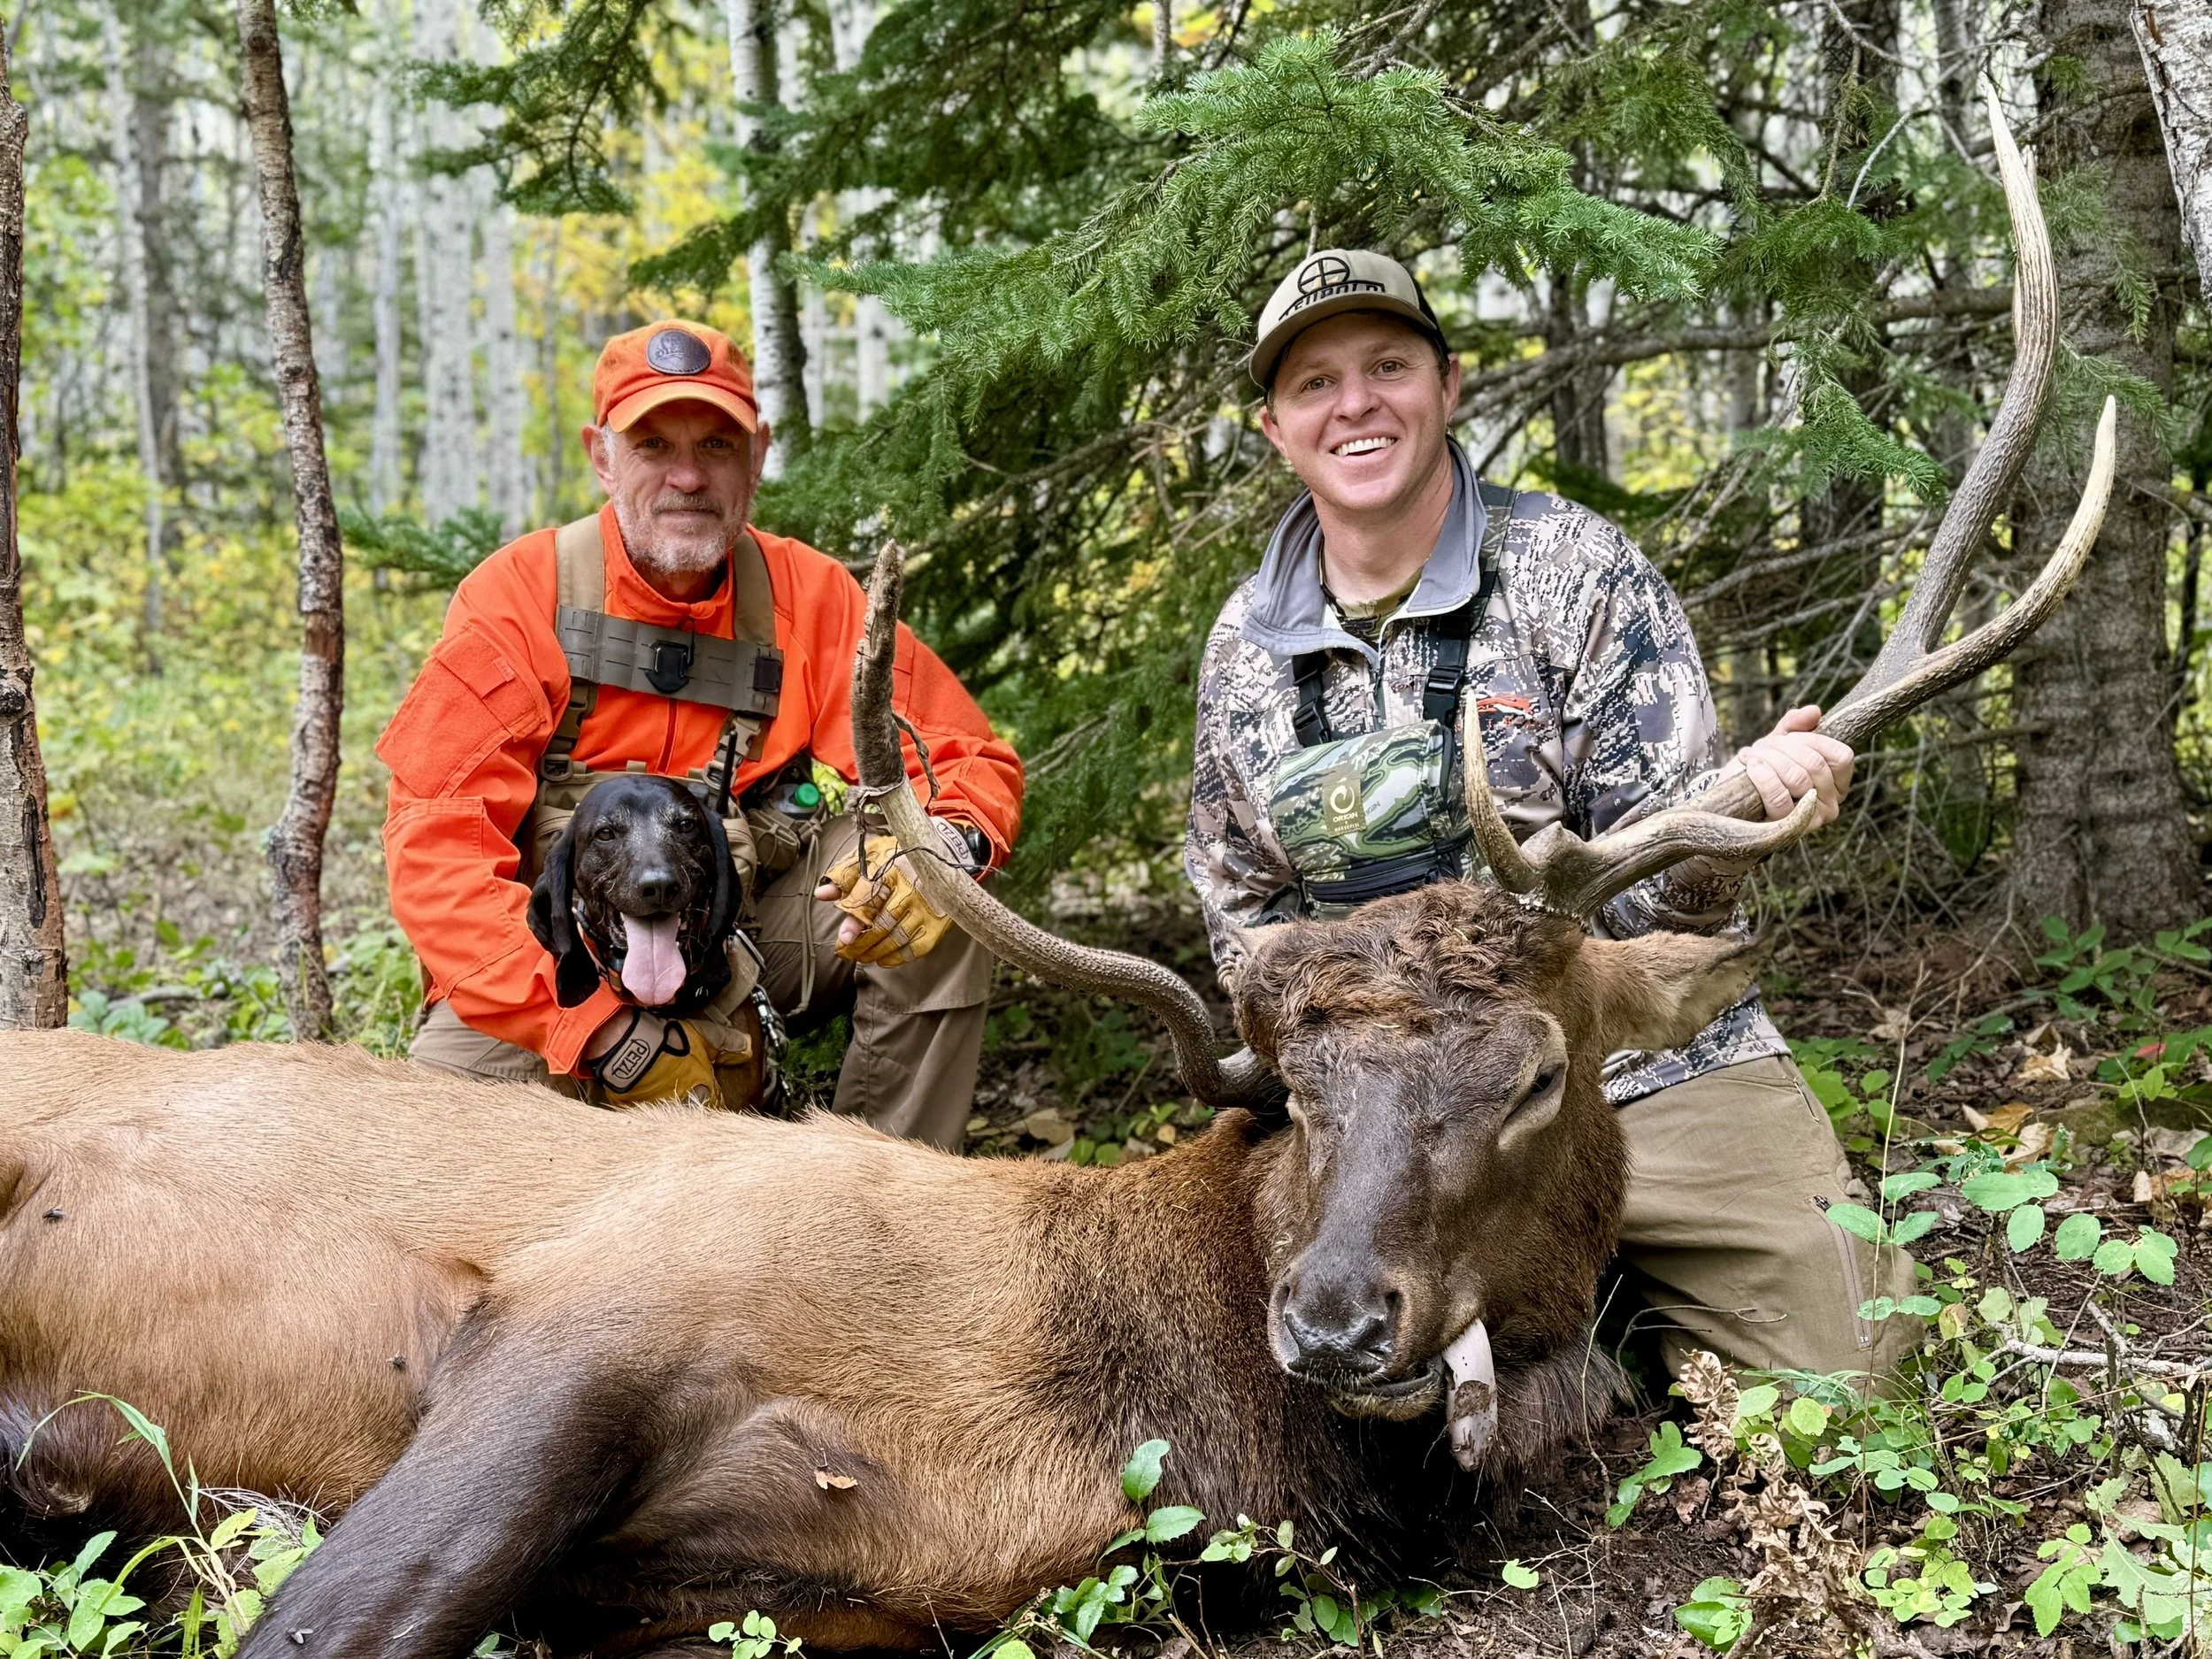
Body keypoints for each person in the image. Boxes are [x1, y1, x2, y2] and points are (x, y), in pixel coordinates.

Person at [1186, 250, 1916, 1384]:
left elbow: (1660, 900)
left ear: (1448, 385)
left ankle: (1593, 1327)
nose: (1356, 404)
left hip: (1614, 1073)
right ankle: (1567, 1336)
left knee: (1852, 1369)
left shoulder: (1576, 574)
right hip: (1373, 1112)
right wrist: (1321, 1075)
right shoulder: (1244, 651)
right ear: (1275, 427)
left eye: (1387, 365)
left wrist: (1738, 823)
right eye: (1314, 384)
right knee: (1254, 1387)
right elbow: (1244, 915)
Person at [379, 319, 1021, 1148]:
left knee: (935, 883)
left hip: (741, 930)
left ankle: (876, 1214)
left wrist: (941, 852)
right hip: (556, 958)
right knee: (428, 1166)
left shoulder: (812, 598)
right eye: (653, 445)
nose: (688, 476)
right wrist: (603, 1032)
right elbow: (437, 851)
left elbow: (963, 759)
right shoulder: (516, 597)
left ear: (756, 456)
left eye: (715, 445)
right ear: (602, 455)